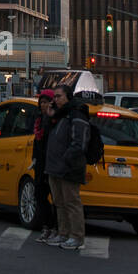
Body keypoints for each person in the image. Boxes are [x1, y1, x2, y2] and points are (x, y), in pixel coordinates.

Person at [44, 84, 90, 251]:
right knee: (59, 202)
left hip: (69, 167)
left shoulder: (76, 114)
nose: (55, 100)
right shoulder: (59, 115)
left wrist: (67, 159)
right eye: (54, 97)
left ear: (68, 97)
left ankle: (76, 236)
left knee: (71, 202)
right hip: (55, 166)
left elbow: (80, 141)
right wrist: (49, 116)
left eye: (58, 96)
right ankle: (63, 233)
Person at [32, 90, 57, 242]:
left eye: (46, 102)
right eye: (41, 102)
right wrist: (34, 159)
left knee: (56, 198)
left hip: (52, 163)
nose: (43, 105)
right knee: (39, 195)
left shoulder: (54, 120)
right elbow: (37, 142)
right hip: (40, 163)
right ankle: (47, 226)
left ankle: (55, 227)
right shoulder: (39, 120)